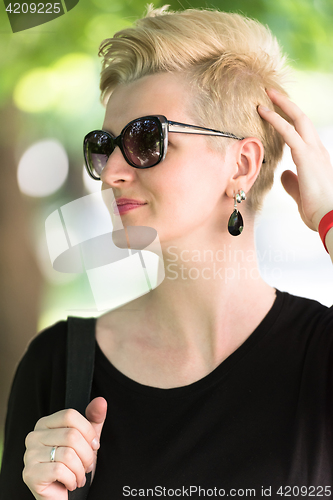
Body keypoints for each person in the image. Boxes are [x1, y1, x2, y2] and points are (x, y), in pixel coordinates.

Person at [1, 5, 333, 500]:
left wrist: (327, 217)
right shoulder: (57, 368)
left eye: (145, 139)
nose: (112, 170)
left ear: (241, 165)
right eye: (104, 145)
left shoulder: (321, 356)